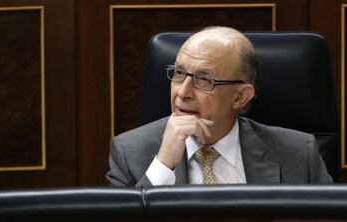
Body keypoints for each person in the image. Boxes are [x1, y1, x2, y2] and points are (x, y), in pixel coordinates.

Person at [106, 26, 332, 186]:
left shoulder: (299, 154)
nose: (182, 93)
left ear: (240, 97)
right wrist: (164, 165)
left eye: (204, 80)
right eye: (179, 73)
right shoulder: (130, 153)